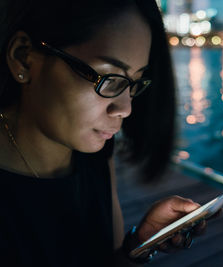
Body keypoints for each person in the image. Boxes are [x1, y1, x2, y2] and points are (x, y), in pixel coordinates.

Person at [0, 0, 208, 266]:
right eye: (108, 78)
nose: (125, 108)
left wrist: (139, 244)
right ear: (23, 58)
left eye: (133, 83)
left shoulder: (97, 155)